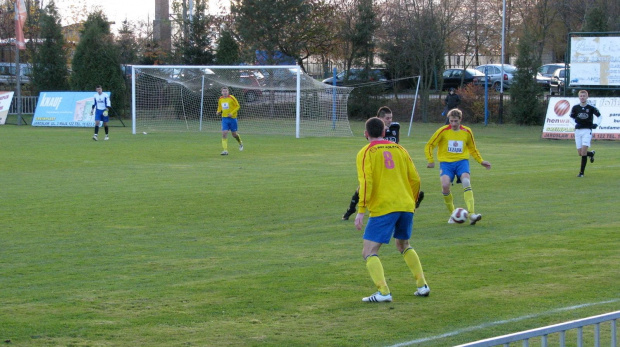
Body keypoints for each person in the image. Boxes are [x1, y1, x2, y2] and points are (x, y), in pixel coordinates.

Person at [354, 117, 429, 302]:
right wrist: (411, 202)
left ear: (366, 134)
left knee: (369, 251)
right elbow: (416, 179)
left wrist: (361, 210)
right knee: (403, 244)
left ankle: (383, 292)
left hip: (384, 207)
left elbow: (366, 182)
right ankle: (422, 285)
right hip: (405, 204)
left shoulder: (365, 152)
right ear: (384, 132)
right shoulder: (400, 149)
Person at [342, 106, 424, 220]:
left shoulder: (396, 127)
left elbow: (397, 142)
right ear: (380, 119)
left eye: (391, 118)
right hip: (379, 163)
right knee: (362, 187)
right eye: (387, 118)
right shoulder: (374, 129)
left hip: (392, 163)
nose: (390, 120)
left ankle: (354, 210)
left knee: (366, 186)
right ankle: (351, 209)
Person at [424, 109, 491, 225]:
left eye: (456, 121)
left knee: (466, 181)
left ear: (460, 120)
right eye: (451, 121)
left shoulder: (467, 132)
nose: (453, 124)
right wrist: (430, 160)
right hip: (446, 163)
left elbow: (473, 149)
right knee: (445, 186)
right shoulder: (443, 131)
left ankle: (472, 214)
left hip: (462, 162)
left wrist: (481, 161)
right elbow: (429, 145)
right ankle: (453, 214)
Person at [570, 90, 601, 177]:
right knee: (580, 153)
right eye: (581, 96)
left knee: (583, 153)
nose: (582, 97)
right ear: (579, 97)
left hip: (587, 131)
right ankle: (591, 154)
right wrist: (575, 124)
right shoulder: (575, 107)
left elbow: (599, 116)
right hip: (578, 131)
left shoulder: (591, 108)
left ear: (587, 97)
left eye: (584, 96)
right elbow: (571, 118)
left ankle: (581, 173)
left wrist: (596, 124)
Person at [216, 86, 243, 155]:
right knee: (224, 133)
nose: (225, 93)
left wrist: (232, 113)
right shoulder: (220, 99)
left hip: (233, 119)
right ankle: (225, 150)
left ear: (228, 92)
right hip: (224, 118)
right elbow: (220, 106)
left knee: (234, 134)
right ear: (221, 92)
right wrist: (218, 111)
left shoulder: (232, 98)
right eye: (223, 91)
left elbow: (238, 106)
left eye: (226, 91)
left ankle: (240, 143)